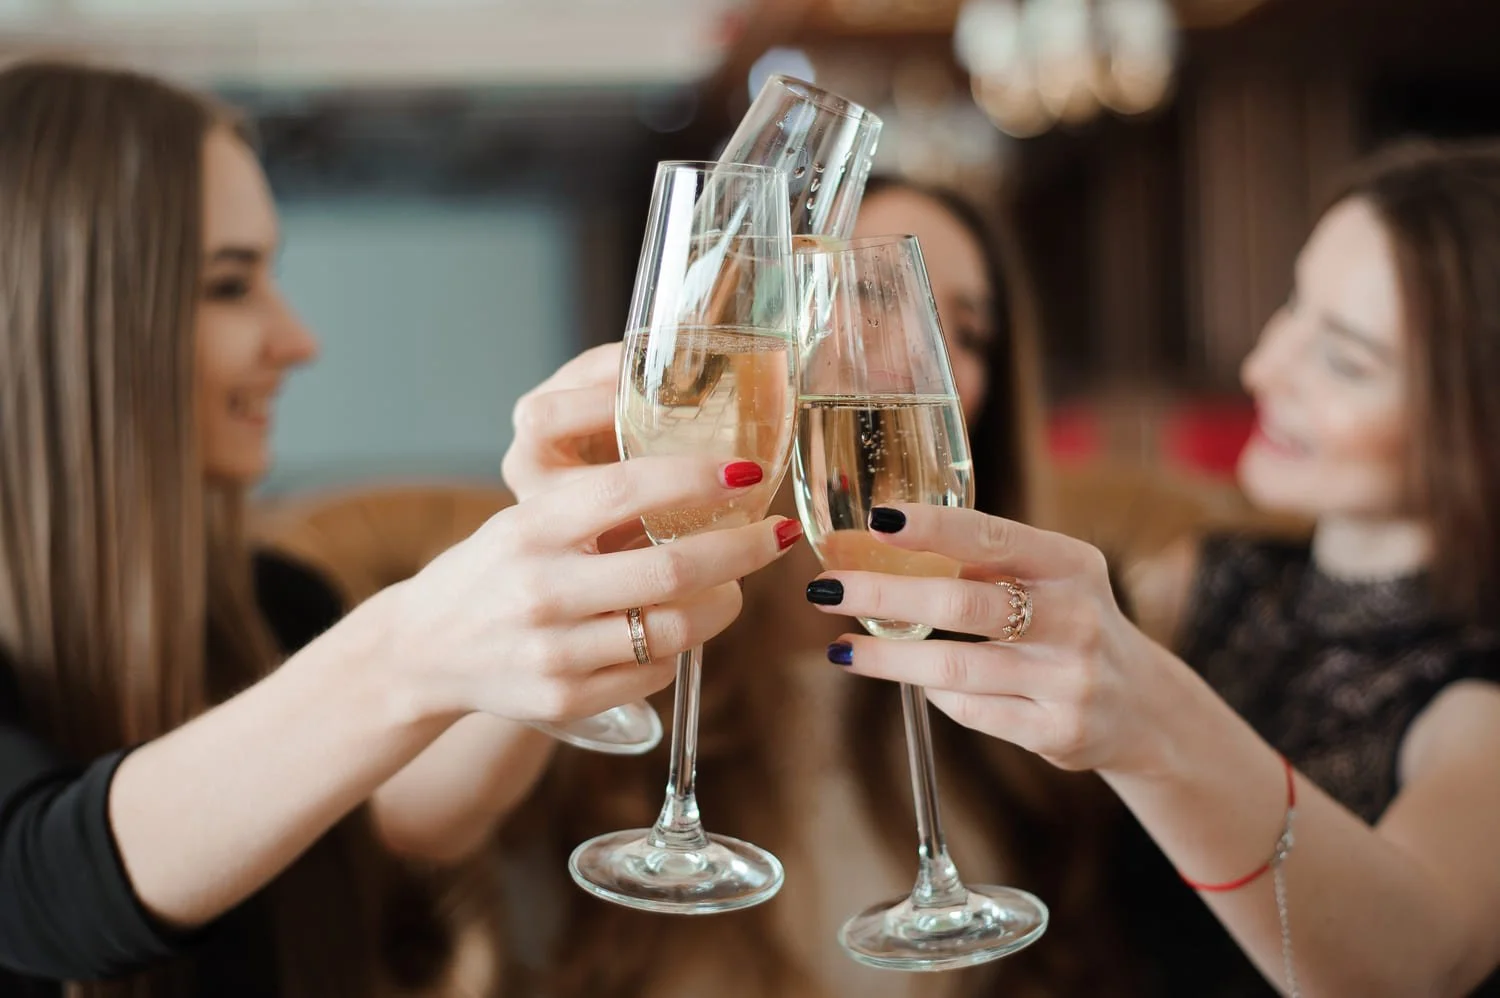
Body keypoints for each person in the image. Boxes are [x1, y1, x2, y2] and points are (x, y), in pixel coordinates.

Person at [0, 60, 802, 998]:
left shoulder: (270, 603)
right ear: (71, 315)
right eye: (229, 285)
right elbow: (37, 889)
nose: (297, 339)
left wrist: (571, 560)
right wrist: (411, 646)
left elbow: (402, 817)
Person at [803, 142, 1500, 996]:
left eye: (1347, 360)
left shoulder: (1476, 699)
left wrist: (1150, 719)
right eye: (1293, 306)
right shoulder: (1202, 580)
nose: (1260, 369)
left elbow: (1412, 972)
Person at [493, 177, 1138, 998]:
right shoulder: (642, 618)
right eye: (865, 301)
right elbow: (418, 840)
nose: (912, 357)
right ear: (759, 336)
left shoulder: (1061, 639)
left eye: (962, 332)